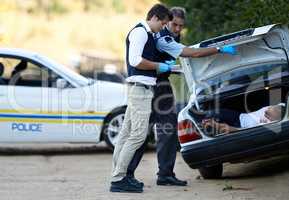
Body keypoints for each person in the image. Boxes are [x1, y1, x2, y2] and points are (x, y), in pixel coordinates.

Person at [127, 7, 238, 187]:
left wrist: (170, 67)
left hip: (156, 84)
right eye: (174, 24)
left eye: (181, 26)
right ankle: (142, 174)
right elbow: (192, 53)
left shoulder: (166, 34)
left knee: (158, 130)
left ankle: (148, 174)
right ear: (166, 21)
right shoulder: (162, 37)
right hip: (154, 86)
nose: (178, 29)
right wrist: (219, 49)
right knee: (155, 130)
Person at [110, 4, 173, 193]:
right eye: (162, 24)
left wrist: (161, 64)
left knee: (126, 133)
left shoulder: (148, 34)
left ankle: (120, 175)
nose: (162, 28)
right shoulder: (140, 33)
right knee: (137, 135)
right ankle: (119, 178)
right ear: (154, 17)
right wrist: (158, 66)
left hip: (140, 89)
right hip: (141, 90)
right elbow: (135, 61)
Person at [202, 104, 286, 135]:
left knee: (212, 125)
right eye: (268, 109)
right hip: (238, 116)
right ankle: (205, 124)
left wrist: (216, 125)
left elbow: (235, 130)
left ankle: (208, 125)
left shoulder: (267, 125)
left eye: (268, 115)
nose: (265, 112)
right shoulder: (282, 105)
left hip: (239, 125)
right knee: (212, 112)